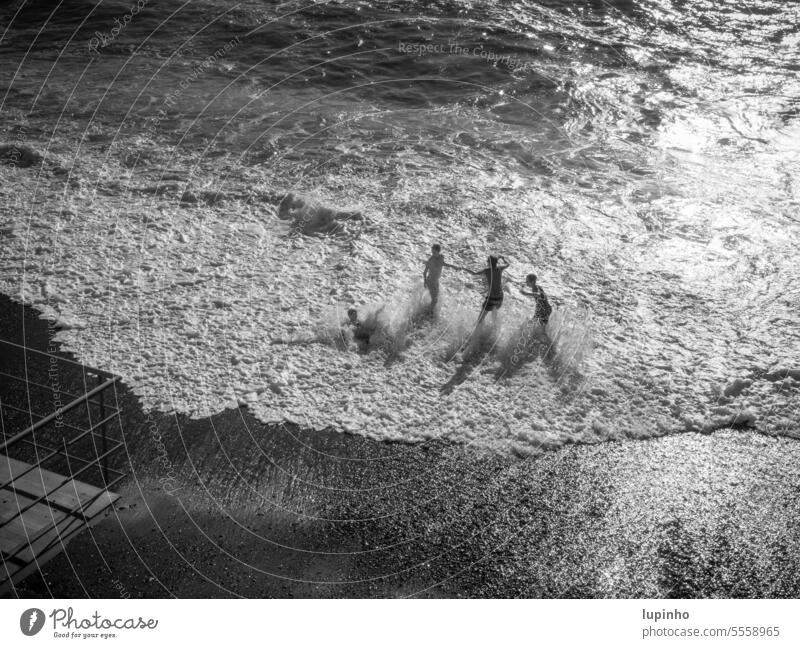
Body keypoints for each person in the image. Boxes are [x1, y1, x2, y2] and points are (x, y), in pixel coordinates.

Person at [464, 255, 510, 323]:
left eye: (487, 261)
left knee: (480, 319)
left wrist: (464, 268)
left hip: (491, 297)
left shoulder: (486, 270)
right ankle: (494, 332)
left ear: (489, 262)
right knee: (494, 318)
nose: (486, 262)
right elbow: (508, 264)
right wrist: (503, 258)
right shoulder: (500, 268)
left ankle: (478, 331)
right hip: (500, 297)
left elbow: (474, 273)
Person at [423, 243, 456, 311]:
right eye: (432, 252)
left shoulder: (441, 257)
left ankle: (430, 310)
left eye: (434, 252)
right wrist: (424, 281)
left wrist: (453, 266)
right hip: (430, 281)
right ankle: (428, 312)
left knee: (436, 298)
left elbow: (444, 264)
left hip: (436, 281)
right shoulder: (430, 260)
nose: (432, 254)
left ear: (438, 252)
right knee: (435, 300)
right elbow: (424, 272)